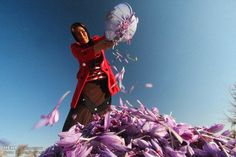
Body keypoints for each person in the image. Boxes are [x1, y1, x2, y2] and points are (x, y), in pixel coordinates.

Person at [62, 23, 120, 131]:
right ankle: (68, 146)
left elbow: (108, 36)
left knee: (101, 125)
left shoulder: (96, 40)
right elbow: (83, 55)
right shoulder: (75, 47)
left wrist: (118, 30)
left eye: (83, 32)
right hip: (87, 87)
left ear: (87, 32)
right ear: (76, 38)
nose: (81, 35)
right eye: (78, 34)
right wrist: (98, 47)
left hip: (104, 88)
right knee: (74, 123)